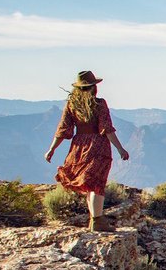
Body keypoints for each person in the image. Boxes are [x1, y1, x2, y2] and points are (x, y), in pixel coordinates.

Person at [44, 70, 130, 231]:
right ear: (93, 87)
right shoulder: (99, 104)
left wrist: (51, 149)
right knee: (97, 184)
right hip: (98, 146)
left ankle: (94, 220)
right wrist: (120, 148)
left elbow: (62, 130)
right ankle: (97, 220)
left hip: (79, 147)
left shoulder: (71, 105)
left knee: (90, 184)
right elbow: (107, 129)